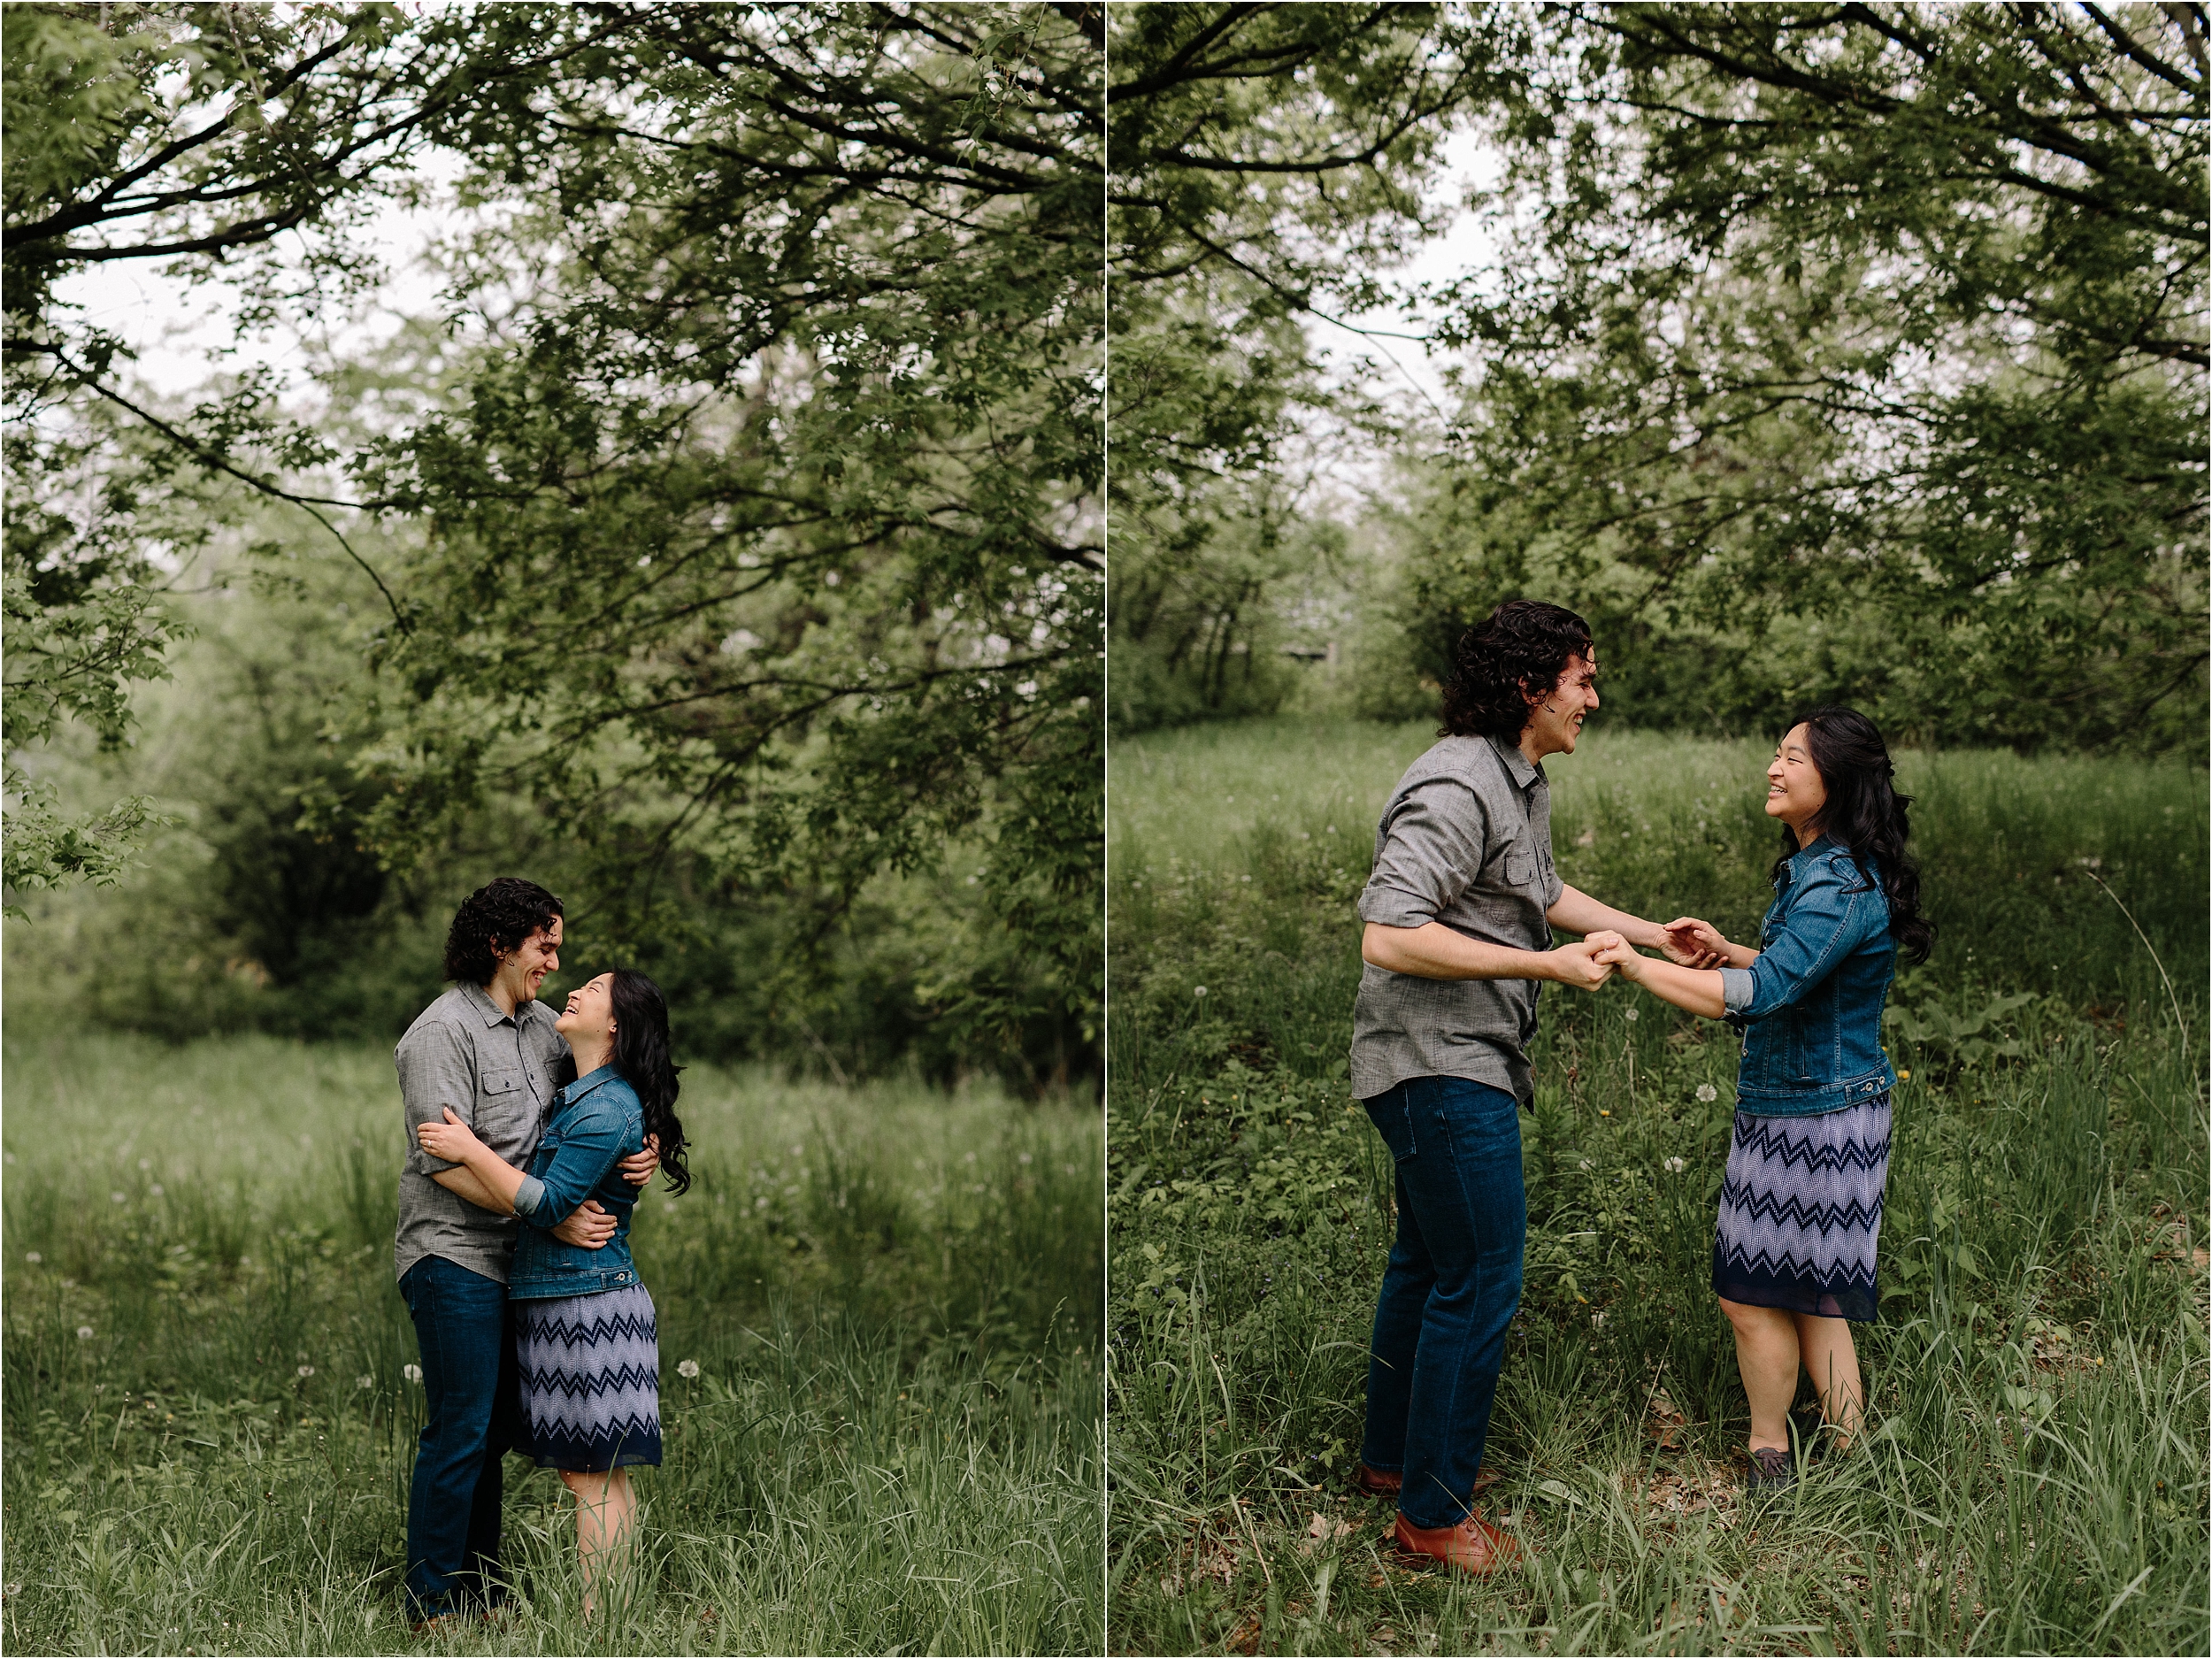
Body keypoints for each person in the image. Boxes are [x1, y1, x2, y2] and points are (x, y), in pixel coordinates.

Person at [1351, 600, 1722, 1573]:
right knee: (1481, 1278)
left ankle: (1393, 1463)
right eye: (1582, 679)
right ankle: (1432, 1518)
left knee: (1429, 1265)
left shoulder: (1519, 781)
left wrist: (1649, 931)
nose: (1592, 698)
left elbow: (1537, 895)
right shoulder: (1456, 782)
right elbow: (1388, 931)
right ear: (1529, 686)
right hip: (1436, 1060)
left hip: (1459, 1055)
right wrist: (1545, 970)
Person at [1594, 707, 1933, 1502]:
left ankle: (1770, 1459)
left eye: (1792, 758)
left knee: (1750, 1290)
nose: (1774, 768)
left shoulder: (1838, 881)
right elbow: (1797, 968)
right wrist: (1732, 948)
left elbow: (1767, 992)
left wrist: (1642, 967)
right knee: (1815, 1294)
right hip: (1814, 1107)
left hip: (1814, 1120)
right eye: (1776, 754)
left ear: (1837, 782)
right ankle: (1851, 1461)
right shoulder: (1823, 870)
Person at [394, 879, 660, 1629]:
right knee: (462, 1426)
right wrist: (547, 1211)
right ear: (500, 942)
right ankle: (432, 1605)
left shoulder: (546, 1027)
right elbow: (445, 1162)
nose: (555, 961)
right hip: (452, 1254)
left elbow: (609, 1089)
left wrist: (646, 1144)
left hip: (526, 1267)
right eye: (545, 944)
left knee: (496, 1431)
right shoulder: (440, 1033)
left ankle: (479, 1592)